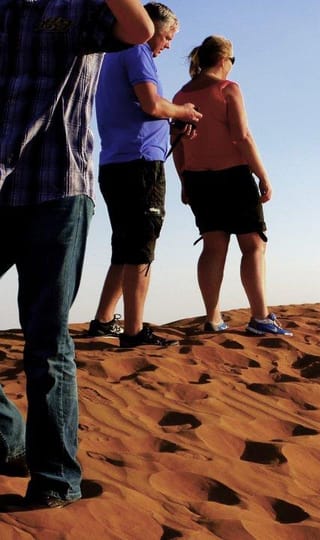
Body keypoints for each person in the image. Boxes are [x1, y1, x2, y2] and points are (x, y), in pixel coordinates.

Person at [0, 0, 153, 509]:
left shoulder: (78, 5)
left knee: (46, 337)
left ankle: (55, 478)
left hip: (58, 183)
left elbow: (138, 28)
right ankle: (8, 438)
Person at [88, 2, 202, 347]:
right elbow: (152, 104)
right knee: (140, 246)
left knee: (124, 245)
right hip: (139, 165)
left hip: (114, 162)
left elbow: (140, 111)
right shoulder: (137, 50)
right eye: (167, 37)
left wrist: (172, 122)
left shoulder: (109, 54)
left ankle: (104, 320)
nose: (167, 45)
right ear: (152, 27)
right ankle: (134, 332)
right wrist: (183, 111)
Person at [172, 35, 292, 336]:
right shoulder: (228, 89)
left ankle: (213, 318)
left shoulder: (179, 96)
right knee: (253, 245)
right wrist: (263, 175)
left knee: (213, 248)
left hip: (199, 178)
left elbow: (178, 147)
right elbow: (242, 136)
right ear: (224, 60)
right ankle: (260, 317)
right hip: (233, 175)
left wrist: (184, 181)